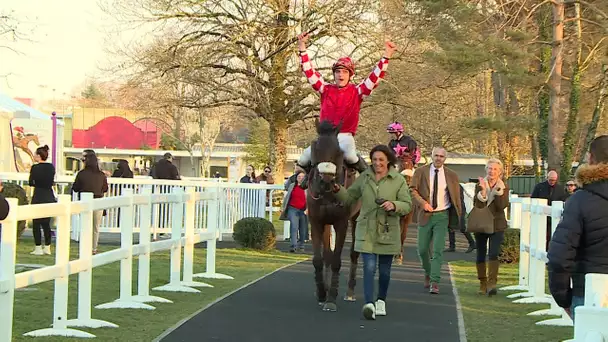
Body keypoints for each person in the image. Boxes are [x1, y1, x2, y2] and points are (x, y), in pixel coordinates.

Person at [296, 32, 397, 187]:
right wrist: (302, 48)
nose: (340, 75)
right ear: (334, 74)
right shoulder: (325, 89)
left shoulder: (357, 91)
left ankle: (370, 181)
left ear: (350, 75)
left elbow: (374, 78)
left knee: (350, 155)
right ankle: (295, 184)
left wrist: (386, 56)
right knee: (303, 158)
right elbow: (310, 73)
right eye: (337, 72)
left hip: (344, 136)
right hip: (325, 138)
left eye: (344, 72)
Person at [332, 145, 412, 320]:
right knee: (368, 268)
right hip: (366, 229)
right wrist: (338, 191)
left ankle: (381, 300)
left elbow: (407, 204)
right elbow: (349, 197)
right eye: (374, 160)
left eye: (381, 160)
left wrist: (394, 205)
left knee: (384, 272)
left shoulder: (398, 180)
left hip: (387, 230)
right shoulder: (365, 178)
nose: (377, 163)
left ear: (388, 161)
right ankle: (369, 304)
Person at [548, 135, 608, 321]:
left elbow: (560, 256)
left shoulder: (580, 200)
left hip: (589, 293)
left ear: (590, 158)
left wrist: (563, 298)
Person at [409, 146, 462, 294]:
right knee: (422, 249)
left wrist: (458, 216)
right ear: (432, 156)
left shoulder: (451, 175)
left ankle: (435, 281)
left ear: (445, 158)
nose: (438, 158)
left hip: (442, 215)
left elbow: (457, 197)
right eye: (436, 155)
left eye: (441, 156)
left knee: (438, 250)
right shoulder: (421, 172)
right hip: (425, 214)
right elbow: (412, 190)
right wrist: (423, 203)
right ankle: (428, 272)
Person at [472, 159, 509, 296]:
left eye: (495, 169)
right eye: (489, 168)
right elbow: (478, 205)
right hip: (481, 224)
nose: (491, 171)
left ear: (499, 172)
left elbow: (502, 206)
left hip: (497, 225)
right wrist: (483, 191)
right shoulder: (479, 185)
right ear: (486, 170)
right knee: (480, 254)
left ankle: (492, 283)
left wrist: (498, 192)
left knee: (493, 253)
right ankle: (482, 282)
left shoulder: (503, 187)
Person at [72, 153, 109, 255]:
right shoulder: (101, 175)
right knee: (95, 227)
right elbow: (105, 188)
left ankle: (85, 246)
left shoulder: (81, 174)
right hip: (98, 202)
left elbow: (75, 188)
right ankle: (93, 248)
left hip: (84, 203)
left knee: (85, 226)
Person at [28, 145, 57, 255]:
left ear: (39, 156)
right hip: (49, 195)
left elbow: (31, 182)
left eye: (35, 154)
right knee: (46, 224)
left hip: (38, 195)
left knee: (36, 223)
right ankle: (48, 247)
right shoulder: (51, 167)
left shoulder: (35, 168)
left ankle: (38, 247)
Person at [279, 171, 308, 252]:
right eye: (299, 177)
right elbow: (287, 197)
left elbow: (310, 199)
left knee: (302, 228)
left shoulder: (307, 188)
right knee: (294, 227)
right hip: (293, 209)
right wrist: (283, 207)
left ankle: (301, 244)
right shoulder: (292, 186)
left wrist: (308, 209)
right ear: (296, 178)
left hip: (303, 210)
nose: (301, 179)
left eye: (302, 177)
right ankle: (293, 245)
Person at [445, 184, 476, 254]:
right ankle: (452, 246)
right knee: (450, 227)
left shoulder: (457, 186)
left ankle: (472, 243)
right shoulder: (447, 186)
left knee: (462, 227)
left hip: (459, 208)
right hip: (451, 209)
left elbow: (457, 198)